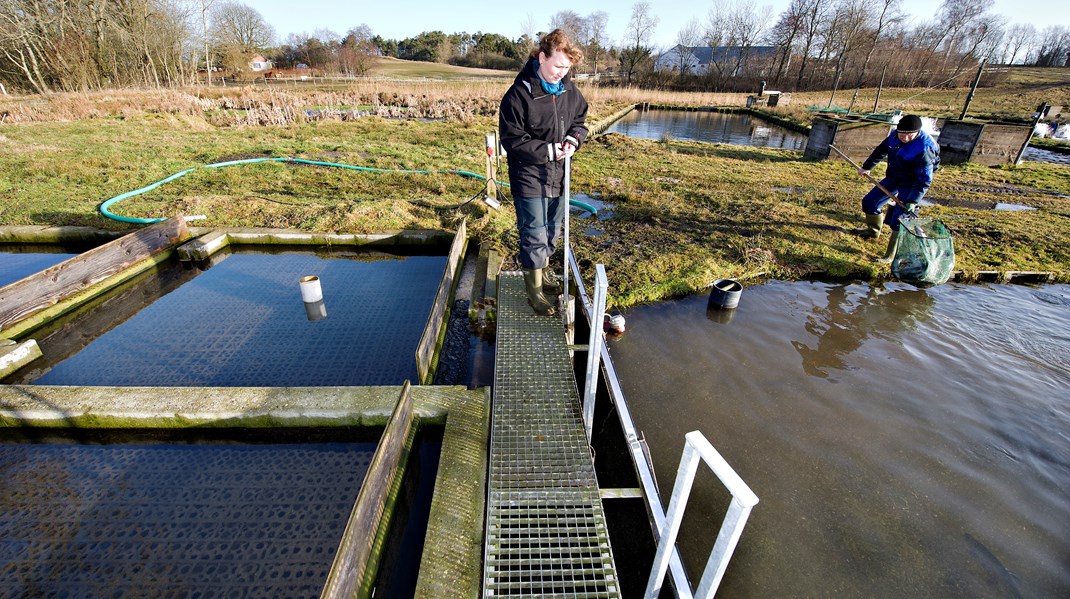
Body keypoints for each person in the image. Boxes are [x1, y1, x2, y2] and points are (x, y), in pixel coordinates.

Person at [499, 29, 588, 316]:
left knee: (552, 231)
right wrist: (548, 151)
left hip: (560, 175)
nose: (562, 73)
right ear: (541, 58)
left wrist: (574, 139)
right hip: (529, 176)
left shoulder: (570, 92)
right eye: (558, 66)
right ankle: (534, 293)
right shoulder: (518, 95)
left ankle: (545, 274)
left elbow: (580, 121)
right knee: (534, 233)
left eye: (567, 69)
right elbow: (512, 140)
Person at [851, 114, 940, 263]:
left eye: (909, 136)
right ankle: (873, 231)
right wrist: (867, 167)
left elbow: (924, 180)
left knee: (899, 219)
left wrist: (912, 200)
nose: (904, 138)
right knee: (870, 202)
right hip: (894, 176)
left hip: (912, 183)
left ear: (917, 132)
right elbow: (881, 150)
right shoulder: (895, 136)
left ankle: (890, 256)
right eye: (902, 134)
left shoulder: (925, 149)